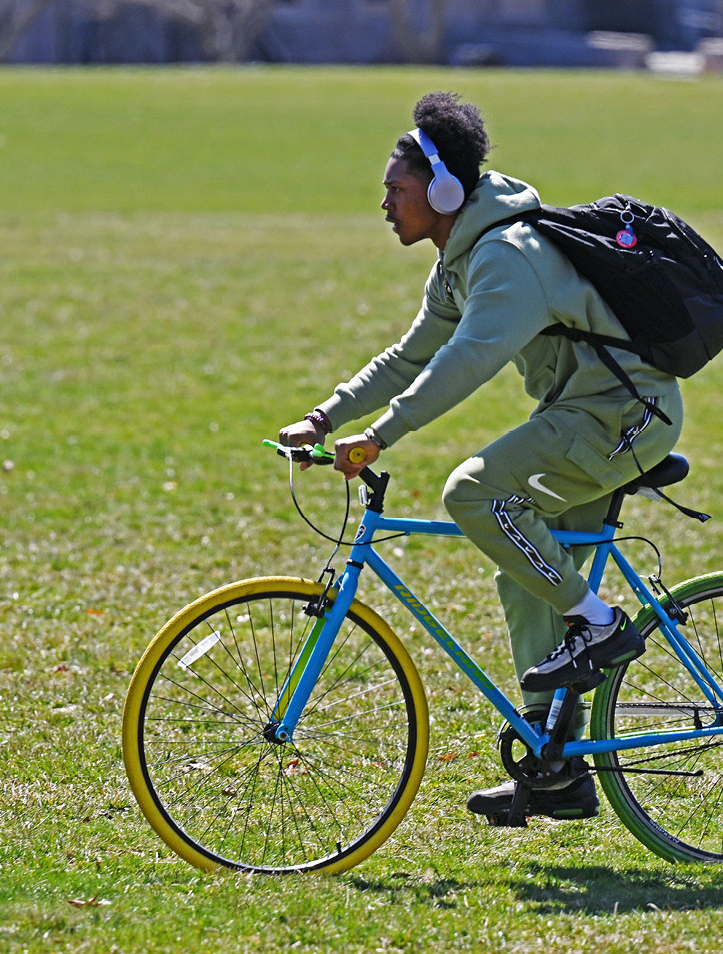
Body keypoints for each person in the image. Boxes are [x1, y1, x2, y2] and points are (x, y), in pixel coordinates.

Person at [277, 92, 682, 822]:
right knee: (524, 571)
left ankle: (600, 624)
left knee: (473, 494)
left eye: (395, 190)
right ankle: (553, 765)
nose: (384, 204)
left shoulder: (507, 258)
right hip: (582, 417)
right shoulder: (460, 260)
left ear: (442, 191)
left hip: (623, 418)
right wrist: (324, 416)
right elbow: (410, 357)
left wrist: (384, 435)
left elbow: (467, 360)